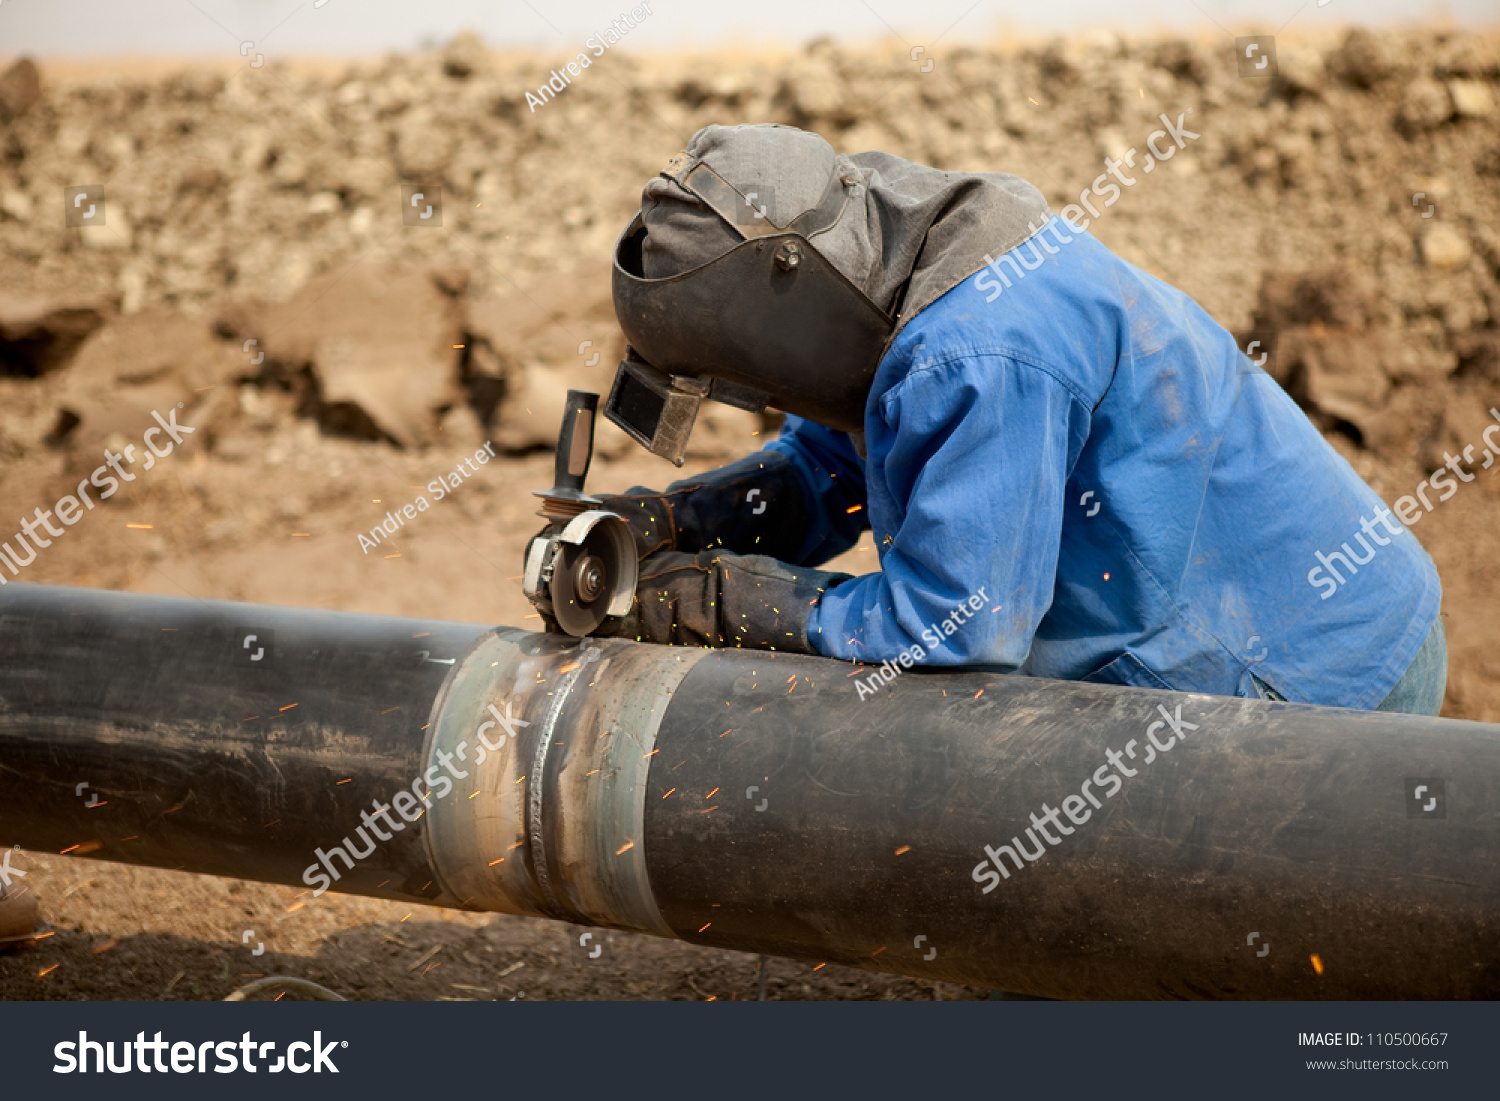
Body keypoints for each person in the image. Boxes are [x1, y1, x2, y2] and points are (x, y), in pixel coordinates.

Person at [577, 122, 1445, 715]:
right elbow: (834, 473)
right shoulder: (893, 274)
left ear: (786, 295)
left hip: (1309, 673)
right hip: (1294, 636)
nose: (766, 406)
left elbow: (960, 628)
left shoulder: (979, 347)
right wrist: (682, 519)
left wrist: (736, 600)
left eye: (753, 386)